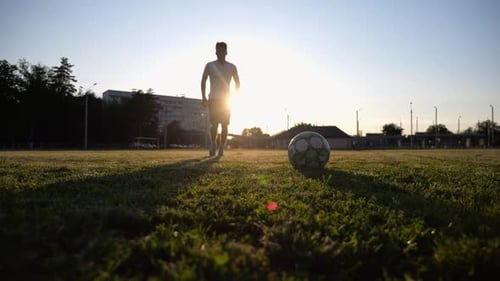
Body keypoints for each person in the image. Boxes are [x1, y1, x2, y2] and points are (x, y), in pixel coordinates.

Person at [201, 42, 240, 156]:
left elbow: (238, 83)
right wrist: (203, 97)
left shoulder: (232, 67)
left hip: (226, 101)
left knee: (224, 125)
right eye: (218, 51)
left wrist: (234, 95)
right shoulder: (210, 65)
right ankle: (213, 145)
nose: (220, 53)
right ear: (215, 52)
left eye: (222, 51)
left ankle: (221, 147)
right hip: (213, 99)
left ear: (226, 52)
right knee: (214, 125)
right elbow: (203, 81)